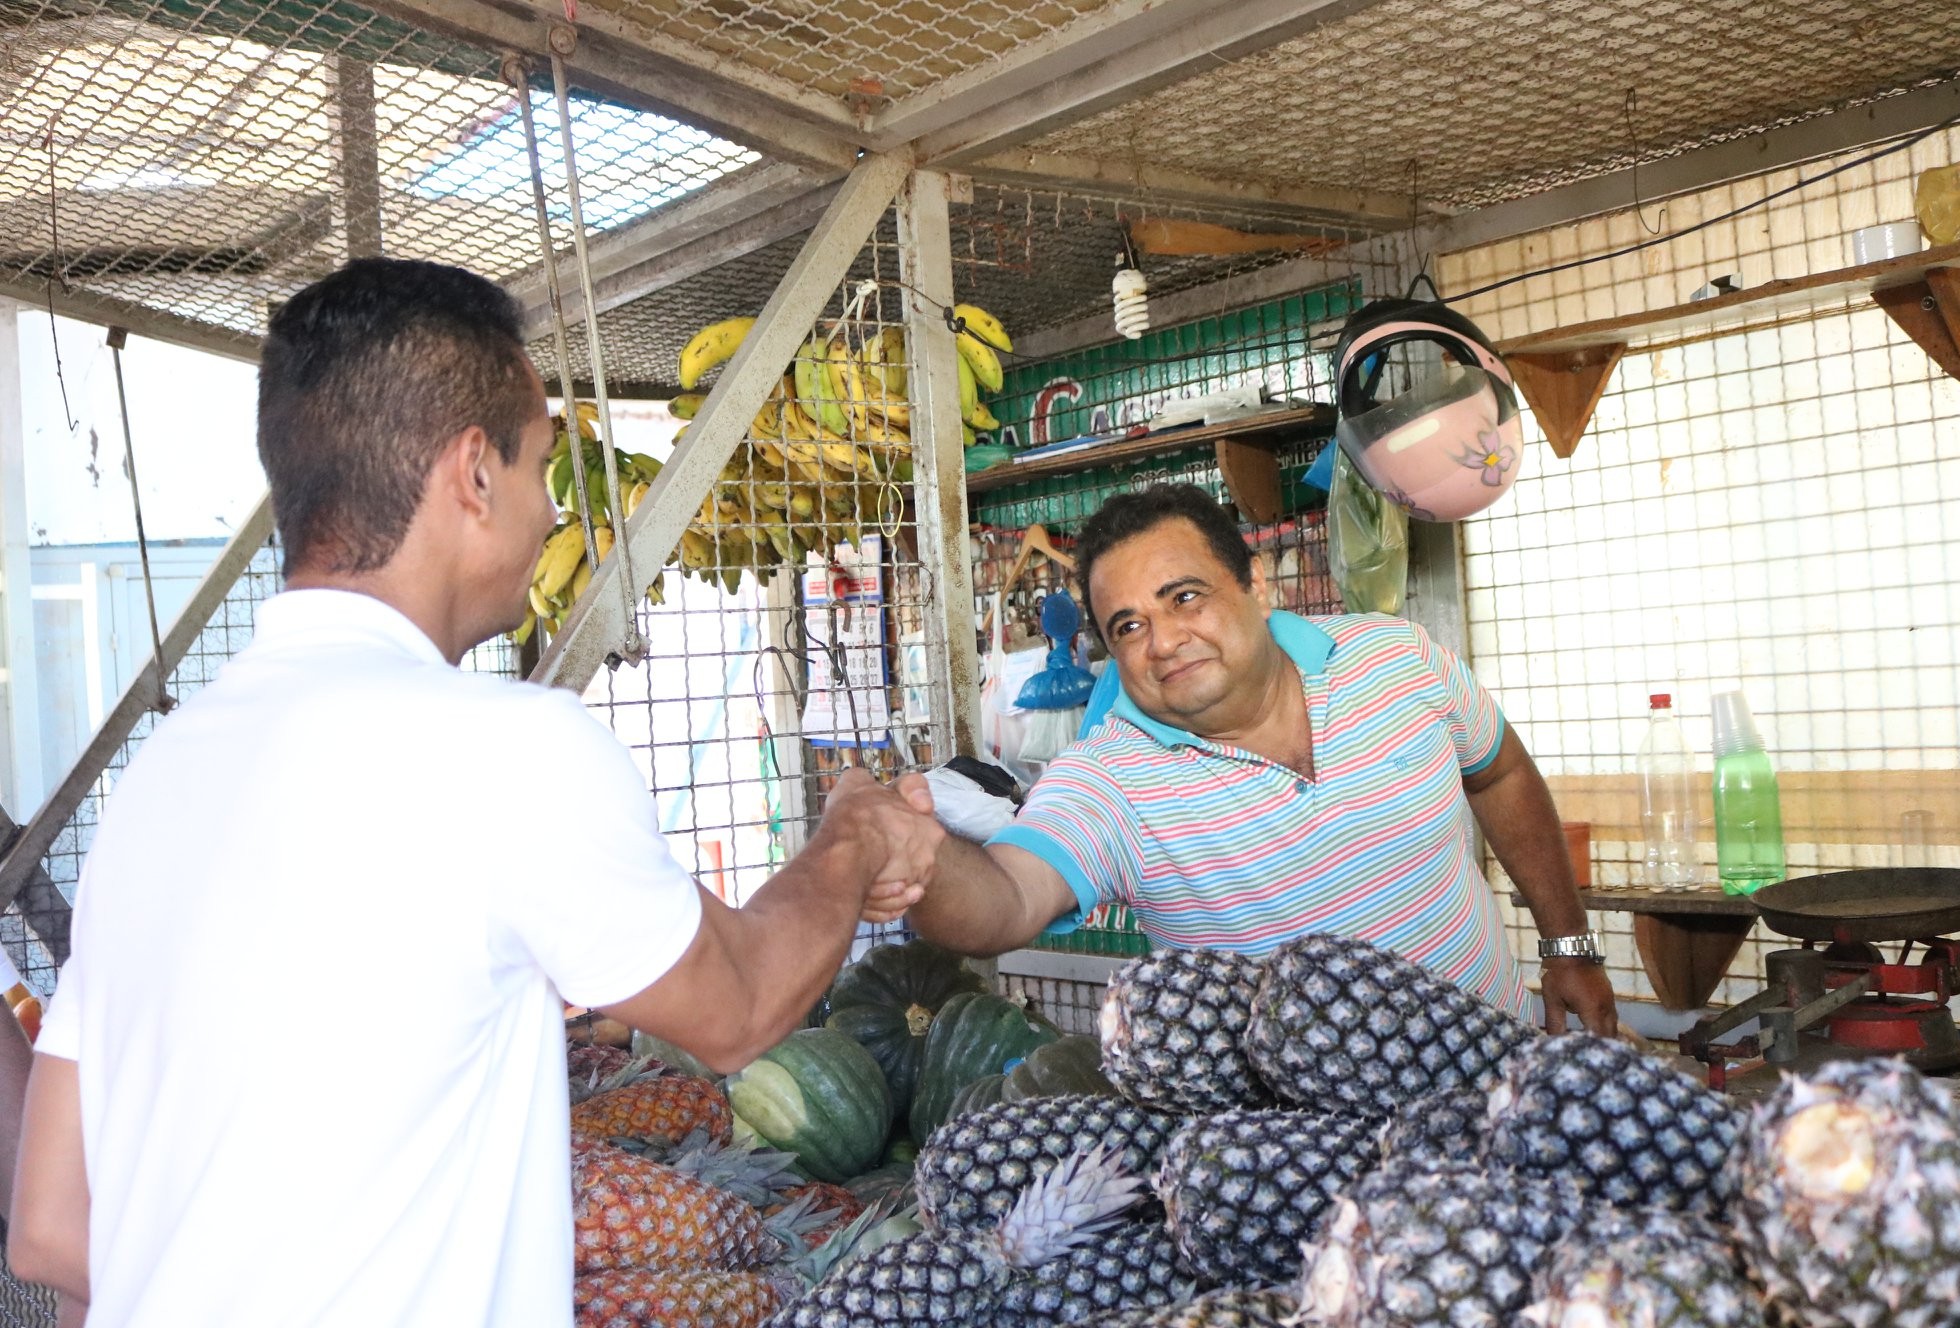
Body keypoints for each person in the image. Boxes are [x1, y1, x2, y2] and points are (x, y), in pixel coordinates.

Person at [7, 259, 944, 1326]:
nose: (552, 513)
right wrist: (853, 838)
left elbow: (51, 1223)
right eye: (542, 465)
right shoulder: (506, 745)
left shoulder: (156, 782)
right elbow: (735, 1007)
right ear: (472, 473)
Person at [871, 484, 1616, 1035]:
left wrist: (1569, 947)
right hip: (1297, 1165)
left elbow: (1499, 770)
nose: (1162, 640)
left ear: (1255, 586)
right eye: (1128, 625)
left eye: (1185, 597)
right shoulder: (1113, 780)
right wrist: (918, 861)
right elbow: (1008, 896)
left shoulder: (1396, 660)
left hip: (1505, 1071)